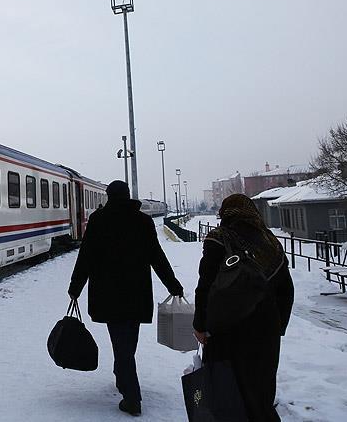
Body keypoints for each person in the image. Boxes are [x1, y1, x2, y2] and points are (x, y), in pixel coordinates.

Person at [68, 180, 184, 416]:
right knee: (127, 342)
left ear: (109, 196)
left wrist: (75, 286)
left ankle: (132, 396)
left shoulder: (99, 220)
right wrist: (172, 284)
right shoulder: (142, 221)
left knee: (121, 343)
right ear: (128, 196)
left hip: (108, 294)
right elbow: (156, 256)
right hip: (136, 294)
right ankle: (124, 379)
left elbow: (86, 256)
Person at [193, 194, 294, 422]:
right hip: (264, 329)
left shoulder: (218, 239)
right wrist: (278, 325)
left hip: (225, 328)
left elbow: (205, 286)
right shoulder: (270, 243)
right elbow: (286, 290)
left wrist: (200, 324)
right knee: (260, 392)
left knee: (226, 389)